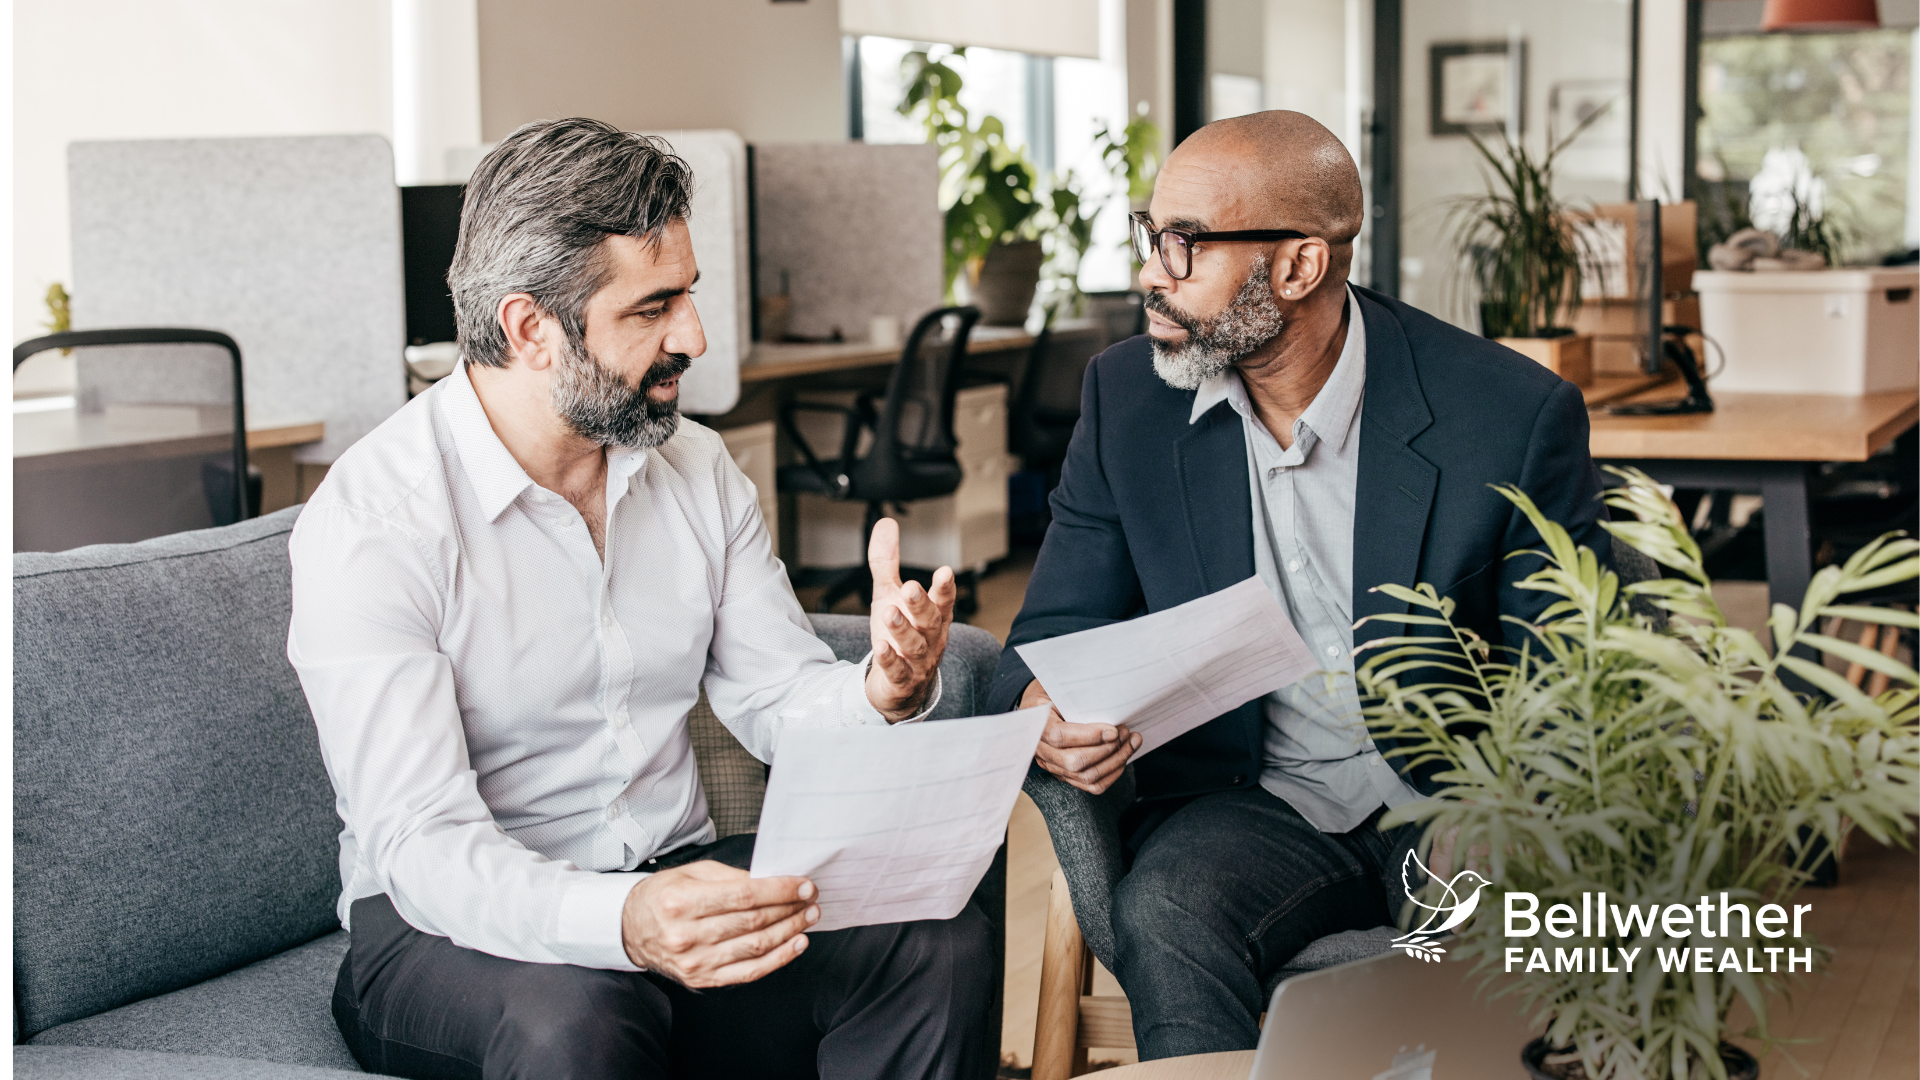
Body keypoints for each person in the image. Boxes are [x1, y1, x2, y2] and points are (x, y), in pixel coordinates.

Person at [289, 118, 993, 1080]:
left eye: (690, 296)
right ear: (530, 328)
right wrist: (621, 923)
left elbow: (775, 698)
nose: (694, 338)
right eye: (653, 308)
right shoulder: (379, 521)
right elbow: (424, 848)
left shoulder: (696, 469)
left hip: (669, 874)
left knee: (932, 938)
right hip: (449, 931)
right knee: (580, 1017)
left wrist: (883, 690)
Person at [988, 110, 1609, 1058]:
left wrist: (1500, 810)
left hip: (1455, 799)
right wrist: (1048, 707)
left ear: (1299, 268)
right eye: (1149, 235)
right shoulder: (1127, 399)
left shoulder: (1508, 415)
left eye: (1184, 246)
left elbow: (1572, 681)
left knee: (1493, 933)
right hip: (1255, 796)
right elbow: (1051, 629)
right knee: (1163, 909)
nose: (1151, 272)